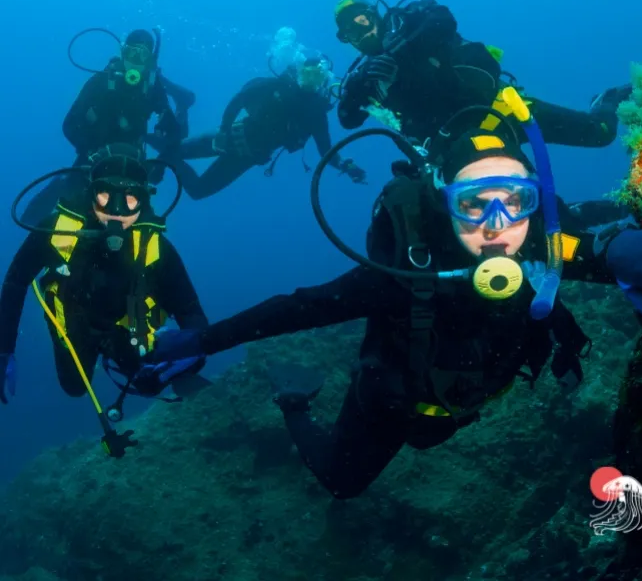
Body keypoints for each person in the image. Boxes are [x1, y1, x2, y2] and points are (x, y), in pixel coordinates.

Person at [148, 88, 642, 498]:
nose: (497, 225)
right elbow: (299, 307)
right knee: (342, 484)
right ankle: (294, 400)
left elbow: (584, 249)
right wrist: (206, 337)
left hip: (467, 404)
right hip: (391, 406)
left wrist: (614, 246)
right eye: (474, 204)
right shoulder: (400, 274)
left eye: (515, 200)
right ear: (445, 204)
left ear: (534, 201)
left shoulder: (536, 248)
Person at [0, 143, 209, 427]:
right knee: (74, 387)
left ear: (144, 201)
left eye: (131, 198)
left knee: (148, 379)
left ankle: (134, 360)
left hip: (126, 326)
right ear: (91, 195)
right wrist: (3, 348)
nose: (117, 210)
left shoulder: (157, 248)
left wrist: (189, 355)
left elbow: (190, 309)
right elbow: (15, 282)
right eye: (105, 195)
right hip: (73, 320)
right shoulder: (58, 230)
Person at [333, 0, 631, 146]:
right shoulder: (367, 78)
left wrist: (400, 49)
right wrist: (360, 84)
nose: (363, 34)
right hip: (452, 151)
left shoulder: (411, 23)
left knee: (600, 135)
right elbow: (347, 120)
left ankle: (604, 100)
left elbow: (444, 19)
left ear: (376, 15)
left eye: (363, 21)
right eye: (351, 33)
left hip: (502, 111)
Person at [21, 28, 196, 224]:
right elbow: (69, 124)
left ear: (149, 60)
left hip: (132, 165)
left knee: (139, 219)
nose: (136, 60)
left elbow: (173, 132)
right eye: (132, 52)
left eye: (142, 55)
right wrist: (90, 150)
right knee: (71, 203)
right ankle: (34, 224)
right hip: (92, 160)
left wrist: (159, 165)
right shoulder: (100, 82)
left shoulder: (153, 90)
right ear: (123, 52)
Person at [160, 52, 367, 200]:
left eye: (317, 76)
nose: (310, 80)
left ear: (324, 81)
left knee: (197, 191)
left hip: (246, 158)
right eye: (307, 73)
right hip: (231, 135)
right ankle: (179, 113)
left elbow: (326, 151)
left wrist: (345, 165)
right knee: (168, 150)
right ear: (299, 72)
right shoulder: (277, 85)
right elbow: (239, 100)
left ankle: (167, 153)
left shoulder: (316, 114)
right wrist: (223, 130)